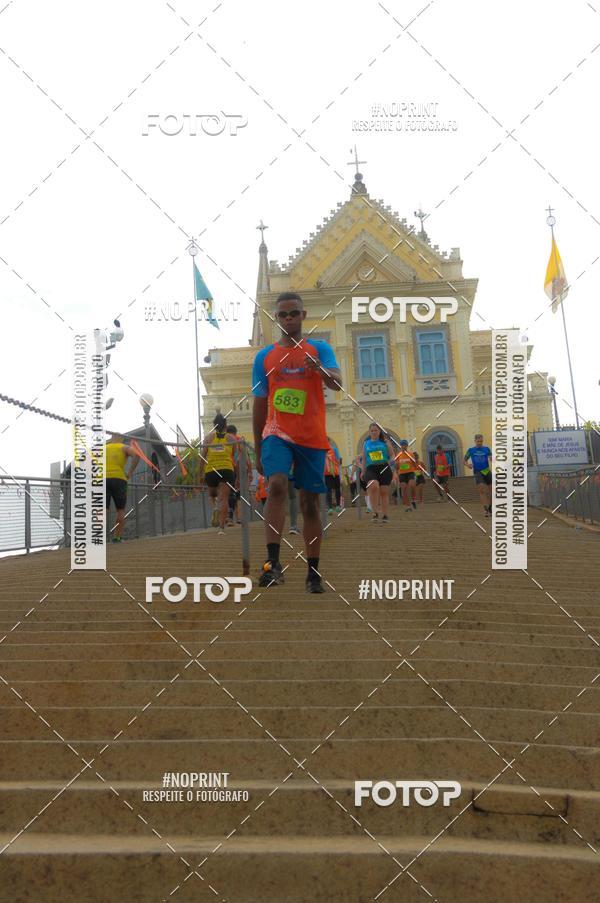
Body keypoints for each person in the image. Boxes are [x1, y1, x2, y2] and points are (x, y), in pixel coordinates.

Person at [252, 291, 342, 592]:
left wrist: (321, 370)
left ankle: (313, 572)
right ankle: (272, 563)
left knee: (310, 505)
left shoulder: (319, 348)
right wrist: (258, 446)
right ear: (276, 318)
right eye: (282, 314)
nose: (288, 318)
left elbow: (337, 383)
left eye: (293, 313)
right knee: (276, 485)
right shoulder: (264, 357)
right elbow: (259, 403)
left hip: (311, 436)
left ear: (303, 315)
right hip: (276, 434)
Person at [199, 414, 237, 534]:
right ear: (225, 425)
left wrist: (199, 473)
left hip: (211, 469)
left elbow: (202, 456)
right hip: (227, 468)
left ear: (214, 425)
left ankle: (215, 507)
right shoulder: (231, 438)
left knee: (212, 494)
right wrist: (238, 476)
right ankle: (221, 528)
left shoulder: (208, 438)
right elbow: (234, 456)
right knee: (224, 498)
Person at [105, 434, 139, 542]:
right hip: (119, 480)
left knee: (102, 510)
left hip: (102, 479)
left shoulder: (102, 449)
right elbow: (137, 455)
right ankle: (117, 537)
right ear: (121, 439)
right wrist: (129, 473)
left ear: (111, 439)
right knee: (120, 510)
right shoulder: (123, 447)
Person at [360, 423, 395, 524]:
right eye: (372, 431)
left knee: (384, 492)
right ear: (369, 432)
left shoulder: (385, 442)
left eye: (376, 430)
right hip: (371, 468)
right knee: (373, 486)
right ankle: (375, 512)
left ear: (379, 431)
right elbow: (364, 458)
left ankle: (385, 514)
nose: (374, 432)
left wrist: (391, 461)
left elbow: (392, 454)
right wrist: (363, 471)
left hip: (384, 467)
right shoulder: (366, 443)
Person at [464, 433, 493, 516]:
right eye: (478, 441)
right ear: (475, 441)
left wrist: (491, 458)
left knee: (491, 490)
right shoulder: (471, 450)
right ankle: (485, 509)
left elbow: (491, 457)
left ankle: (490, 508)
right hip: (478, 472)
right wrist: (468, 465)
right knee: (482, 490)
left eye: (481, 441)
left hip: (487, 471)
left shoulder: (486, 449)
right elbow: (464, 460)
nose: (480, 443)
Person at [394, 439, 418, 511]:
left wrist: (414, 462)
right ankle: (408, 506)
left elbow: (415, 464)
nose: (403, 446)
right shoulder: (398, 455)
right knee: (403, 489)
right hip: (402, 474)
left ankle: (413, 500)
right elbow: (396, 466)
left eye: (404, 445)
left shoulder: (410, 454)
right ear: (400, 446)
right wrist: (397, 465)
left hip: (410, 472)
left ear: (407, 446)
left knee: (412, 485)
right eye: (402, 445)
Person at [324, 445, 342, 514]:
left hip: (332, 472)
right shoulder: (333, 449)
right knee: (332, 489)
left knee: (332, 489)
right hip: (330, 473)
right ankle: (333, 507)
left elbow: (338, 460)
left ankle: (333, 507)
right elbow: (339, 460)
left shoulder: (332, 449)